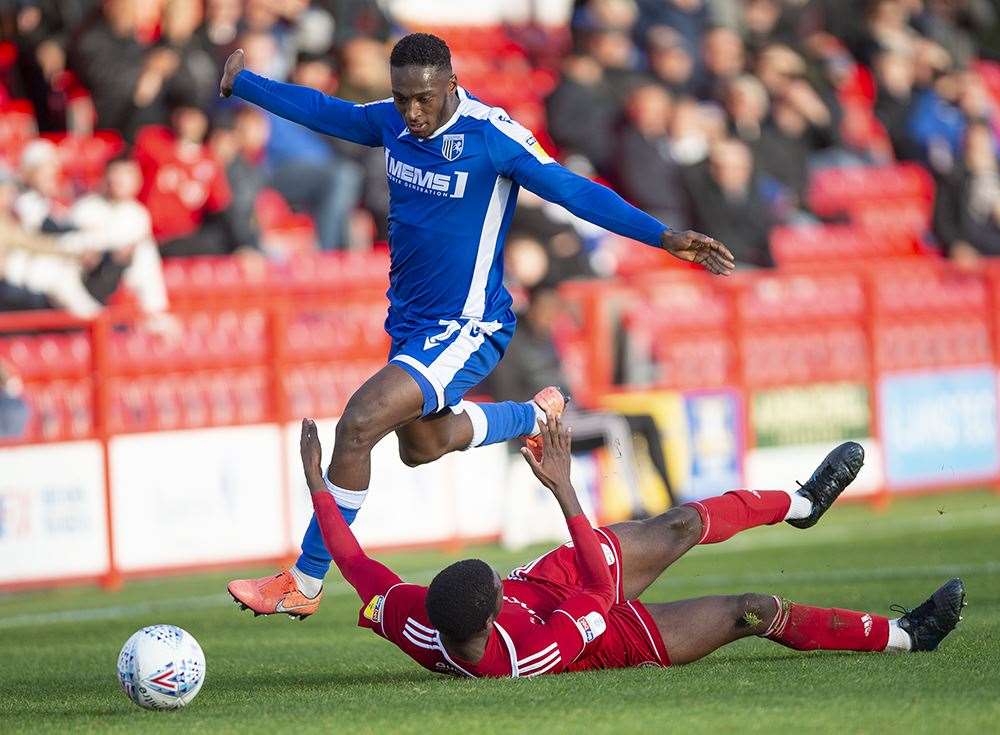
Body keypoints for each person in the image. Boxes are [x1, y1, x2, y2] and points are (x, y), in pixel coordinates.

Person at [221, 32, 735, 618]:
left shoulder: (492, 138)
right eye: (401, 98)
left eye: (423, 99)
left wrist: (662, 236)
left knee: (359, 423)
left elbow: (573, 191)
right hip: (410, 322)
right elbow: (328, 113)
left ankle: (305, 580)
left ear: (452, 86)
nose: (411, 112)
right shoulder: (392, 121)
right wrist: (245, 84)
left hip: (468, 324)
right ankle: (534, 415)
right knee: (423, 445)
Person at [250, 416, 966, 679]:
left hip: (553, 581)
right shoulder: (533, 651)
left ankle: (802, 502)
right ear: (494, 609)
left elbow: (355, 563)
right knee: (753, 608)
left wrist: (319, 483)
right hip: (601, 630)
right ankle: (906, 635)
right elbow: (600, 588)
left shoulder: (416, 615)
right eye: (498, 583)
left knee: (682, 521)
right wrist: (564, 488)